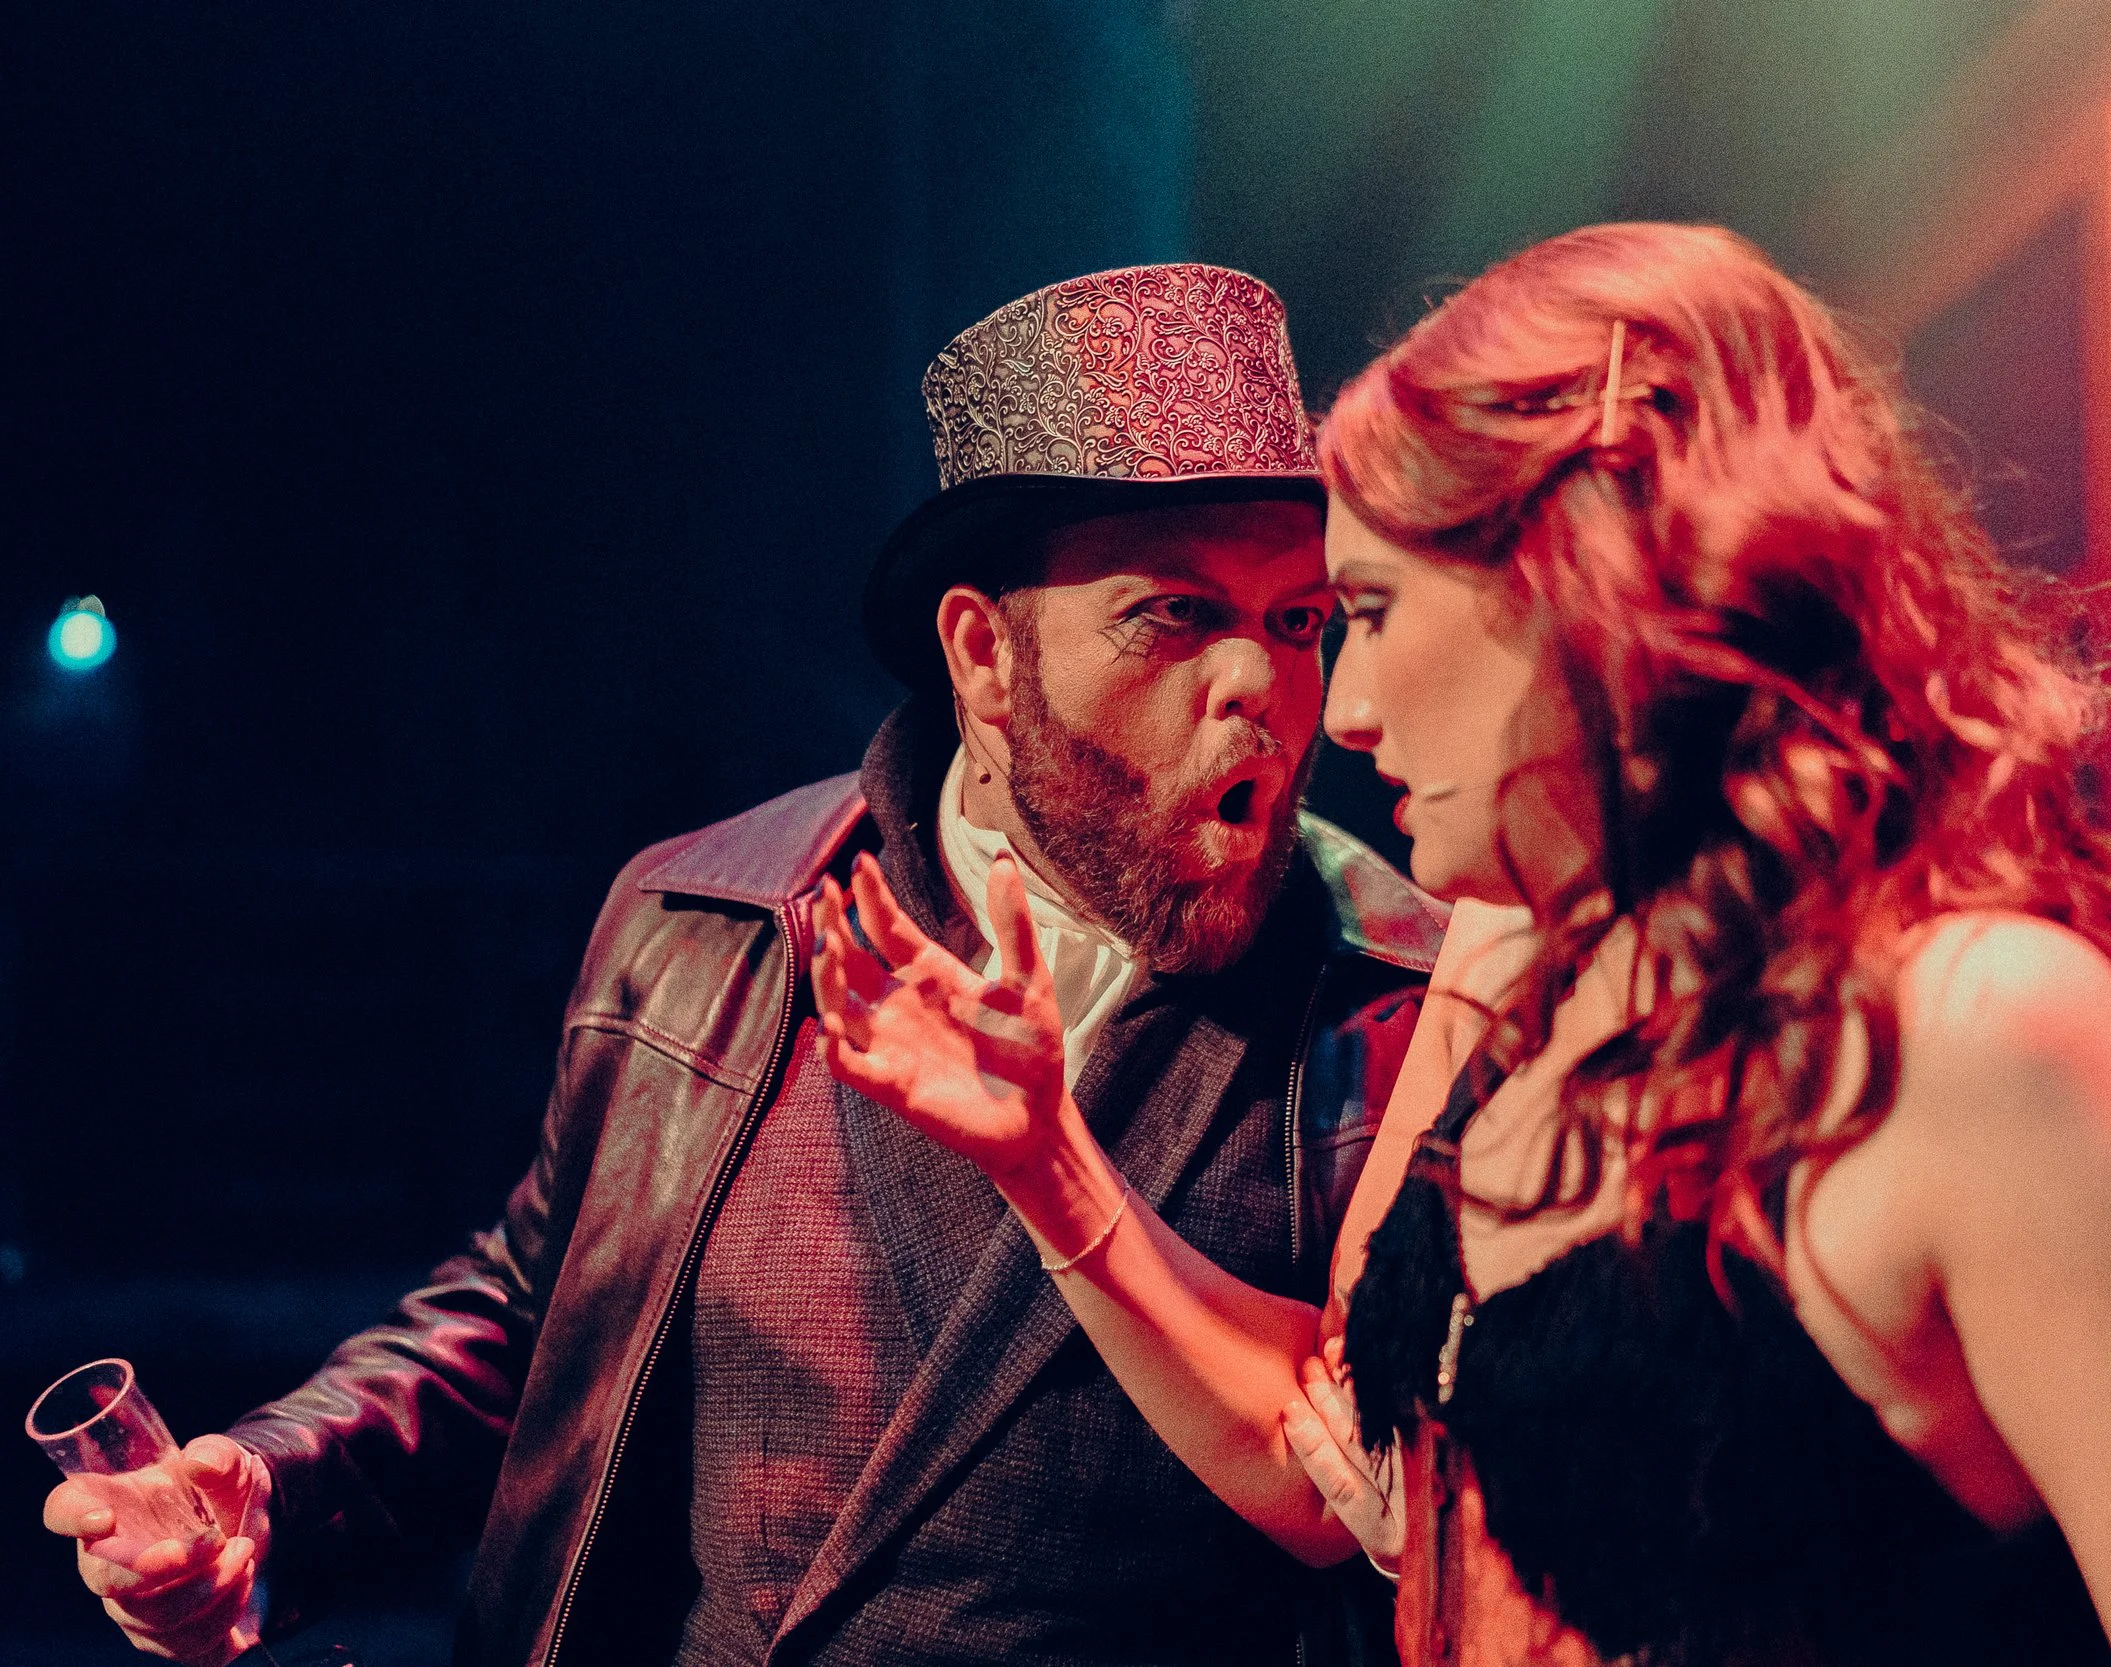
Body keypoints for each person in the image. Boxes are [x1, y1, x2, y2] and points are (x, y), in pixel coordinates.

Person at [828, 223, 2111, 1666]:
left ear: (1576, 585)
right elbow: (1346, 1474)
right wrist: (1044, 1156)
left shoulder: (1987, 1029)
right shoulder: (1514, 988)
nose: (1342, 716)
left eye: (1351, 612)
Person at [41, 262, 1443, 1667]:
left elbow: (1383, 1481)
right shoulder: (708, 917)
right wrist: (272, 1486)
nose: (1260, 686)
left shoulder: (1386, 1004)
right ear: (983, 656)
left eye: (1298, 620)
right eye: (1174, 615)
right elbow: (537, 1319)